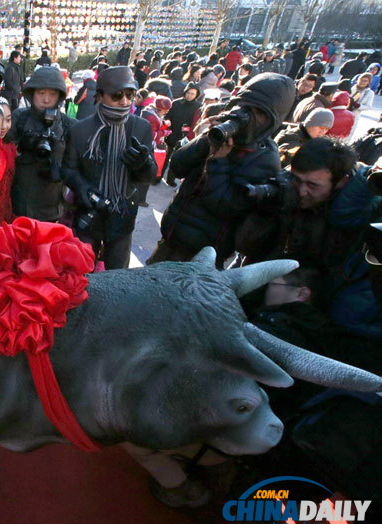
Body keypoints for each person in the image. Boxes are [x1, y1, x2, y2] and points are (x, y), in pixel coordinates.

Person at [236, 139, 382, 339]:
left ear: (342, 181)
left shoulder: (359, 214)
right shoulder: (287, 192)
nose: (302, 191)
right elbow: (248, 246)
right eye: (297, 179)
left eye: (313, 185)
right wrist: (267, 213)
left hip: (312, 314)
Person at [147, 73, 295, 265]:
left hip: (203, 257)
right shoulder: (221, 134)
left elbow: (227, 205)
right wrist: (205, 141)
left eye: (257, 112)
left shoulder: (265, 158)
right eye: (244, 106)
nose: (246, 116)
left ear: (271, 120)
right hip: (170, 240)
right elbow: (177, 166)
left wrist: (218, 161)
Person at [63, 66, 157, 269]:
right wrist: (82, 188)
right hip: (89, 212)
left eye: (130, 94)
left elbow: (148, 176)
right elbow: (68, 170)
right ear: (100, 96)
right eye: (117, 95)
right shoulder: (80, 129)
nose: (124, 101)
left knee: (118, 276)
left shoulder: (141, 127)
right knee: (80, 271)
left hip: (123, 214)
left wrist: (143, 164)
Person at [9, 66, 76, 222]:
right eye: (41, 93)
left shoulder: (68, 125)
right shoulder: (19, 118)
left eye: (52, 94)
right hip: (20, 203)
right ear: (32, 94)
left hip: (53, 208)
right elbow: (1, 154)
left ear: (60, 96)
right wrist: (21, 148)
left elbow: (78, 167)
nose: (46, 99)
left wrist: (60, 169)